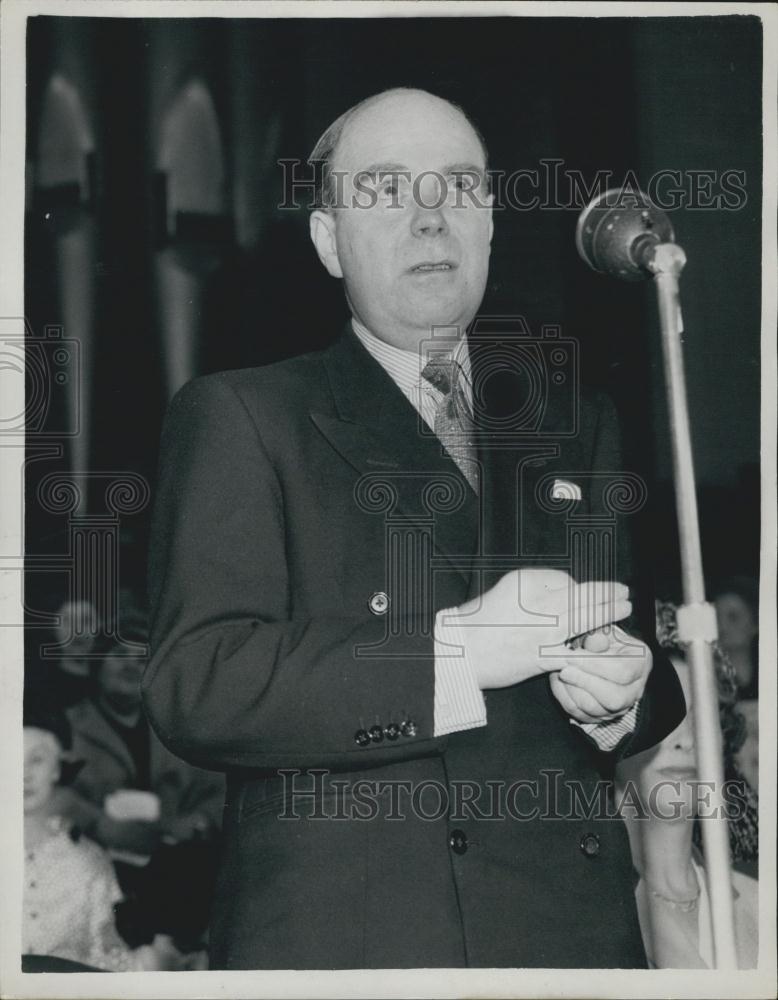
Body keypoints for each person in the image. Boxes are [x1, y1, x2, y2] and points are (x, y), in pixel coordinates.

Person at [143, 87, 685, 969]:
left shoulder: (575, 419)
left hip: (568, 938)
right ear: (328, 242)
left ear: (491, 224)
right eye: (389, 190)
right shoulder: (245, 415)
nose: (432, 219)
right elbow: (197, 684)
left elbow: (650, 661)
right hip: (358, 939)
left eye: (459, 187)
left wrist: (621, 698)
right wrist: (460, 650)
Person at [53, 614, 224, 952]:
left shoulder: (176, 730)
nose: (131, 667)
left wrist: (199, 820)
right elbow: (50, 797)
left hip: (176, 875)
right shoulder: (66, 728)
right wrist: (101, 825)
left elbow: (217, 788)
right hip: (97, 875)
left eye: (142, 659)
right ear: (97, 665)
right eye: (119, 656)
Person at [614, 656, 758, 968]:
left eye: (701, 717)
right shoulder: (582, 904)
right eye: (663, 714)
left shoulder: (759, 901)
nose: (688, 741)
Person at [22, 699, 161, 971]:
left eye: (36, 759)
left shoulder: (87, 863)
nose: (23, 774)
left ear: (57, 768)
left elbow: (105, 954)